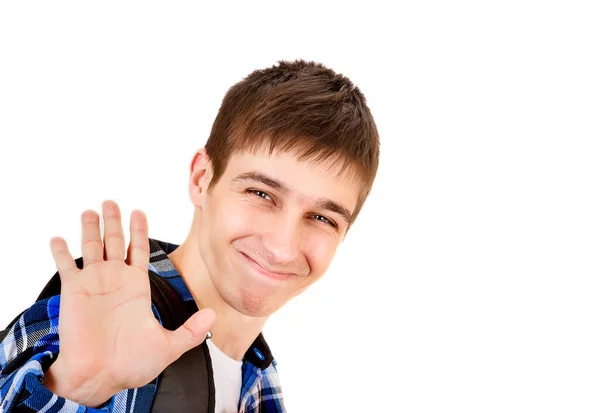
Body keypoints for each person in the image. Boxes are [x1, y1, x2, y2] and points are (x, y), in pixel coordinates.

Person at [0, 59, 380, 413]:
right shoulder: (94, 320)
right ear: (202, 179)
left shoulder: (261, 383)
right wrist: (75, 387)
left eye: (321, 218)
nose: (282, 247)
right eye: (261, 194)